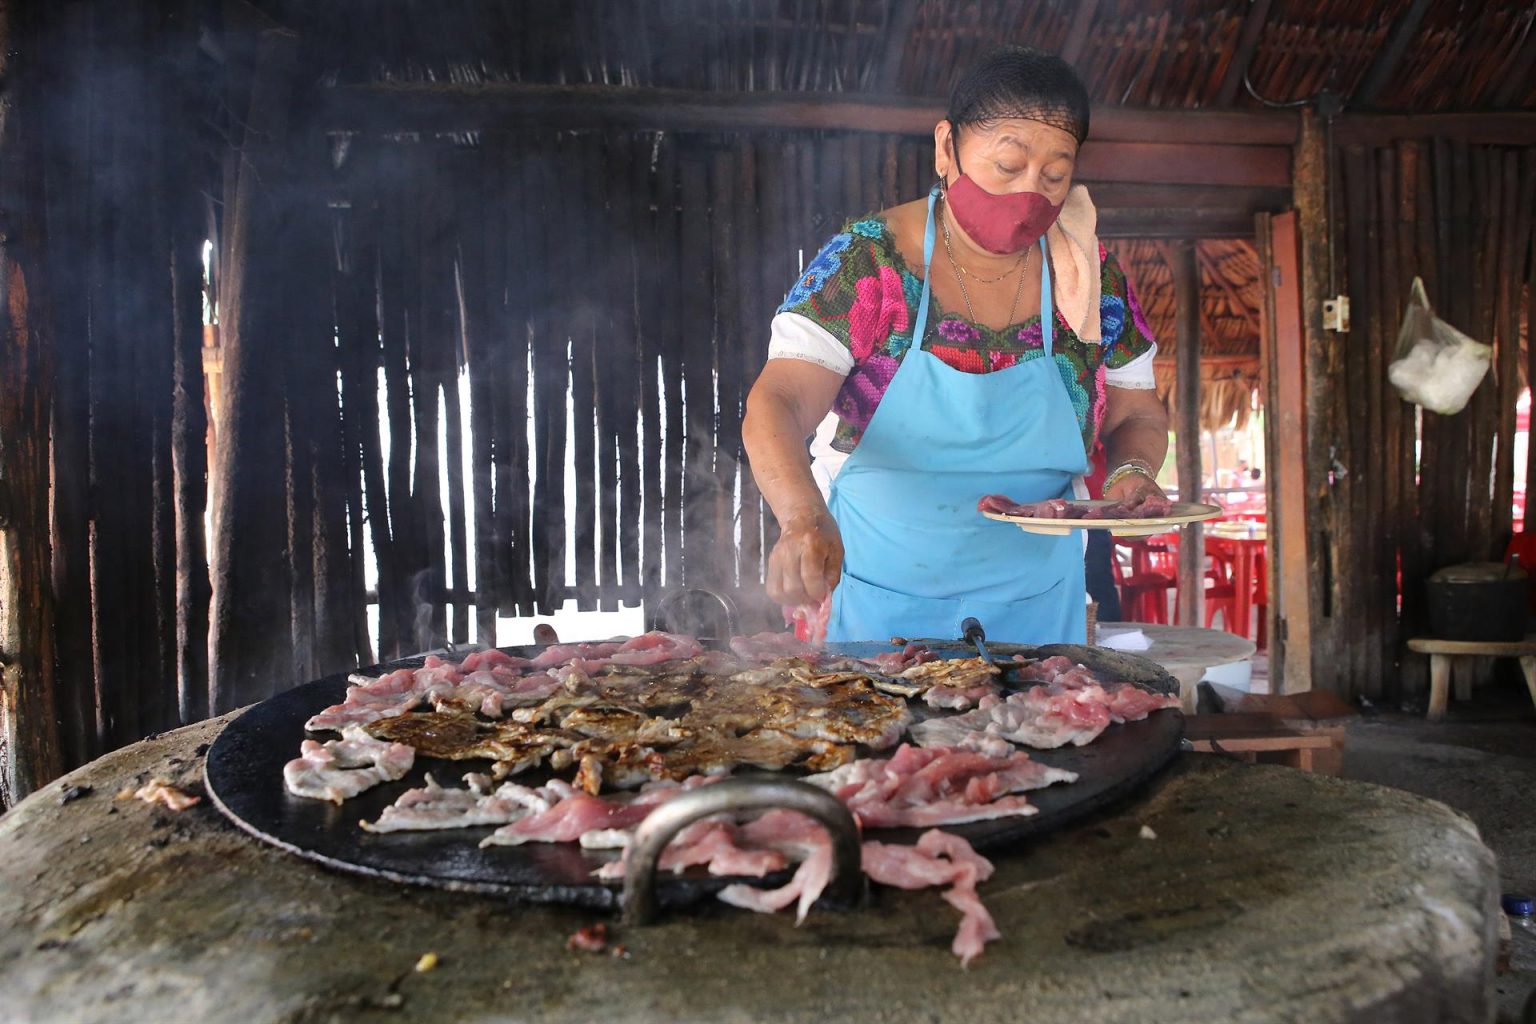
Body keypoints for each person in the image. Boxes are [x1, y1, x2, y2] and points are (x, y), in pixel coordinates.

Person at [742, 47, 1169, 644]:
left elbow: (1139, 410)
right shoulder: (871, 262)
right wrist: (802, 516)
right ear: (947, 148)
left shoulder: (1089, 275)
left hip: (1037, 603)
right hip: (879, 594)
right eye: (1007, 165)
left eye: (1054, 176)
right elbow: (778, 401)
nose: (1029, 195)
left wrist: (1131, 472)